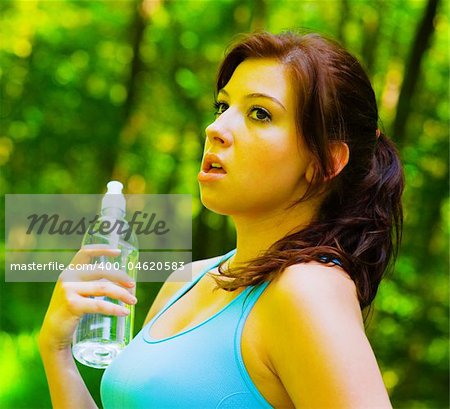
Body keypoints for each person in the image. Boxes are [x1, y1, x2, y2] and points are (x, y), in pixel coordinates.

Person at [39, 31, 404, 408]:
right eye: (222, 106)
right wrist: (57, 351)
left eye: (260, 113)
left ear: (325, 162)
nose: (216, 129)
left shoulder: (307, 290)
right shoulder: (187, 280)